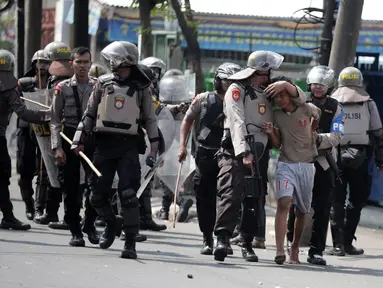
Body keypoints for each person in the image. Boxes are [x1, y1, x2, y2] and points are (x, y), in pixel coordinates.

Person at [214, 50, 307, 263]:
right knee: (231, 191)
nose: (271, 76)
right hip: (236, 150)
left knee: (254, 197)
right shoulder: (236, 89)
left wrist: (287, 87)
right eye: (268, 71)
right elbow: (236, 121)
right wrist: (244, 152)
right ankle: (222, 238)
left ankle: (247, 243)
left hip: (261, 152)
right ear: (260, 71)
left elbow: (302, 99)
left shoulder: (269, 91)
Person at [73, 41, 159, 259]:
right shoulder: (102, 83)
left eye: (114, 59)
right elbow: (89, 114)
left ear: (125, 60)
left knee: (129, 195)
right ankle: (112, 223)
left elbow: (150, 119)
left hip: (129, 145)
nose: (111, 63)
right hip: (104, 143)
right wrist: (78, 139)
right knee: (96, 196)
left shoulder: (142, 86)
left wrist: (154, 150)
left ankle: (130, 243)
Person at [178, 62, 242, 255]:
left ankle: (224, 238)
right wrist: (182, 145)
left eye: (233, 81)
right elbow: (187, 120)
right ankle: (207, 238)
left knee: (229, 195)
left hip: (231, 154)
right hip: (205, 154)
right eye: (225, 81)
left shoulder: (242, 101)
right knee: (204, 197)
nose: (229, 84)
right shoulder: (204, 99)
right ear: (217, 81)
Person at [286, 66, 343, 266]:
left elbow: (337, 136)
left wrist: (317, 138)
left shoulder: (336, 107)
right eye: (315, 84)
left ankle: (316, 250)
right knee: (295, 204)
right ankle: (289, 242)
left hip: (322, 161)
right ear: (309, 84)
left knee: (322, 207)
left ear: (330, 87)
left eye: (323, 85)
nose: (318, 88)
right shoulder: (300, 101)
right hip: (300, 159)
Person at [262, 77, 321, 265]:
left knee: (302, 210)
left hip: (306, 165)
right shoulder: (276, 115)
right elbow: (278, 145)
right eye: (276, 97)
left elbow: (317, 114)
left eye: (283, 94)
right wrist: (271, 132)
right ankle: (280, 250)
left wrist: (313, 130)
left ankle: (294, 246)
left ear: (291, 94)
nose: (279, 99)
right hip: (285, 165)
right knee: (284, 203)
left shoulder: (306, 108)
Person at [328, 67, 383, 256]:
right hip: (361, 156)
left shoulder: (332, 102)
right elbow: (378, 133)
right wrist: (380, 161)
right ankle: (347, 242)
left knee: (336, 200)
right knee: (356, 200)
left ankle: (337, 245)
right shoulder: (368, 103)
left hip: (334, 155)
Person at [50, 47, 99, 246]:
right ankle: (75, 229)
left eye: (86, 62)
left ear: (90, 63)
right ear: (72, 63)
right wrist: (57, 147)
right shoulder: (62, 88)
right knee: (70, 187)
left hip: (92, 137)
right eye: (79, 62)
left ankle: (90, 223)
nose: (82, 66)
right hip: (69, 136)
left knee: (96, 184)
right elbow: (53, 119)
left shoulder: (99, 86)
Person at [0, 49, 50, 230]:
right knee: (3, 177)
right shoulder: (10, 88)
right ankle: (8, 216)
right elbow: (24, 113)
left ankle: (9, 215)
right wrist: (47, 115)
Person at [34, 41, 74, 229]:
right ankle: (51, 212)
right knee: (53, 175)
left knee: (64, 176)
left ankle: (68, 217)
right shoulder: (52, 80)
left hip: (65, 132)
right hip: (53, 131)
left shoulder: (65, 83)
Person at [16, 49, 50, 221]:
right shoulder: (24, 84)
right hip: (26, 130)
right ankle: (28, 204)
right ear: (33, 64)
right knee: (25, 170)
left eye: (46, 62)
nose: (42, 65)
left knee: (45, 170)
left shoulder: (54, 84)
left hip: (46, 131)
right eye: (40, 62)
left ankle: (39, 207)